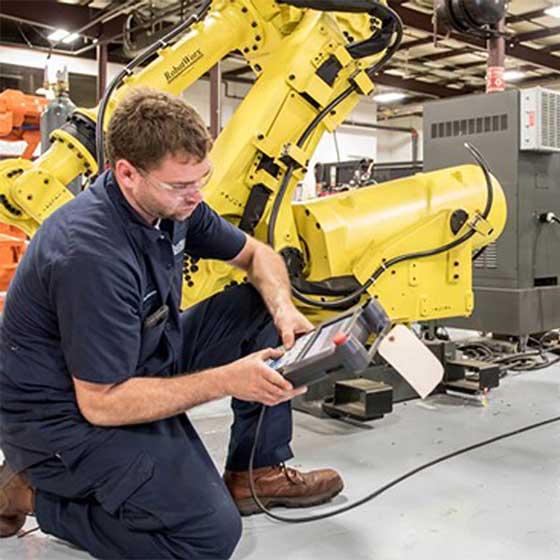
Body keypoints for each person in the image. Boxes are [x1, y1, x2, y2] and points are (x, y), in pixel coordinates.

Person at [0, 88, 343, 559]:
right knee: (208, 538)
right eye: (180, 186)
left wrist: (283, 308)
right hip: (61, 417)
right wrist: (228, 380)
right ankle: (30, 493)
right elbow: (102, 404)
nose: (195, 196)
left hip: (138, 356)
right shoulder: (91, 254)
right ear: (125, 173)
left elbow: (257, 254)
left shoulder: (171, 205)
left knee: (259, 307)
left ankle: (253, 471)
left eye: (201, 179)